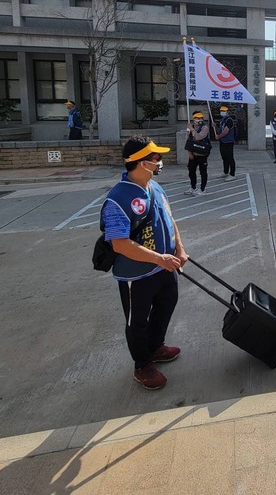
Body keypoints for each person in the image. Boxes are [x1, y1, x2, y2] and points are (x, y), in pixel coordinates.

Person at [100, 136, 188, 391]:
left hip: (164, 266)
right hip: (136, 274)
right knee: (137, 321)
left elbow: (170, 220)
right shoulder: (118, 199)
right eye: (155, 158)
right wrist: (158, 258)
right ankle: (142, 364)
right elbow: (120, 244)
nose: (160, 162)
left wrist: (180, 249)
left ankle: (156, 346)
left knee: (167, 303)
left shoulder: (155, 187)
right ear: (140, 162)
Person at [184, 111, 211, 196]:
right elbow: (189, 141)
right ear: (193, 119)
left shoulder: (204, 128)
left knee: (203, 172)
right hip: (193, 154)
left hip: (202, 154)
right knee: (191, 170)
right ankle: (193, 187)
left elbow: (198, 137)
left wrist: (192, 130)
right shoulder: (191, 127)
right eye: (197, 118)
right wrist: (189, 153)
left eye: (200, 118)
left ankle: (202, 189)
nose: (199, 120)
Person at [213, 105, 236, 180]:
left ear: (228, 112)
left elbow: (225, 131)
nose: (222, 112)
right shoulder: (222, 120)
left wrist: (218, 137)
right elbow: (220, 130)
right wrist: (215, 127)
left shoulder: (229, 120)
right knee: (224, 158)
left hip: (228, 142)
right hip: (222, 142)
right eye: (221, 111)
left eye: (224, 111)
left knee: (230, 158)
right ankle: (225, 172)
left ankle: (232, 174)